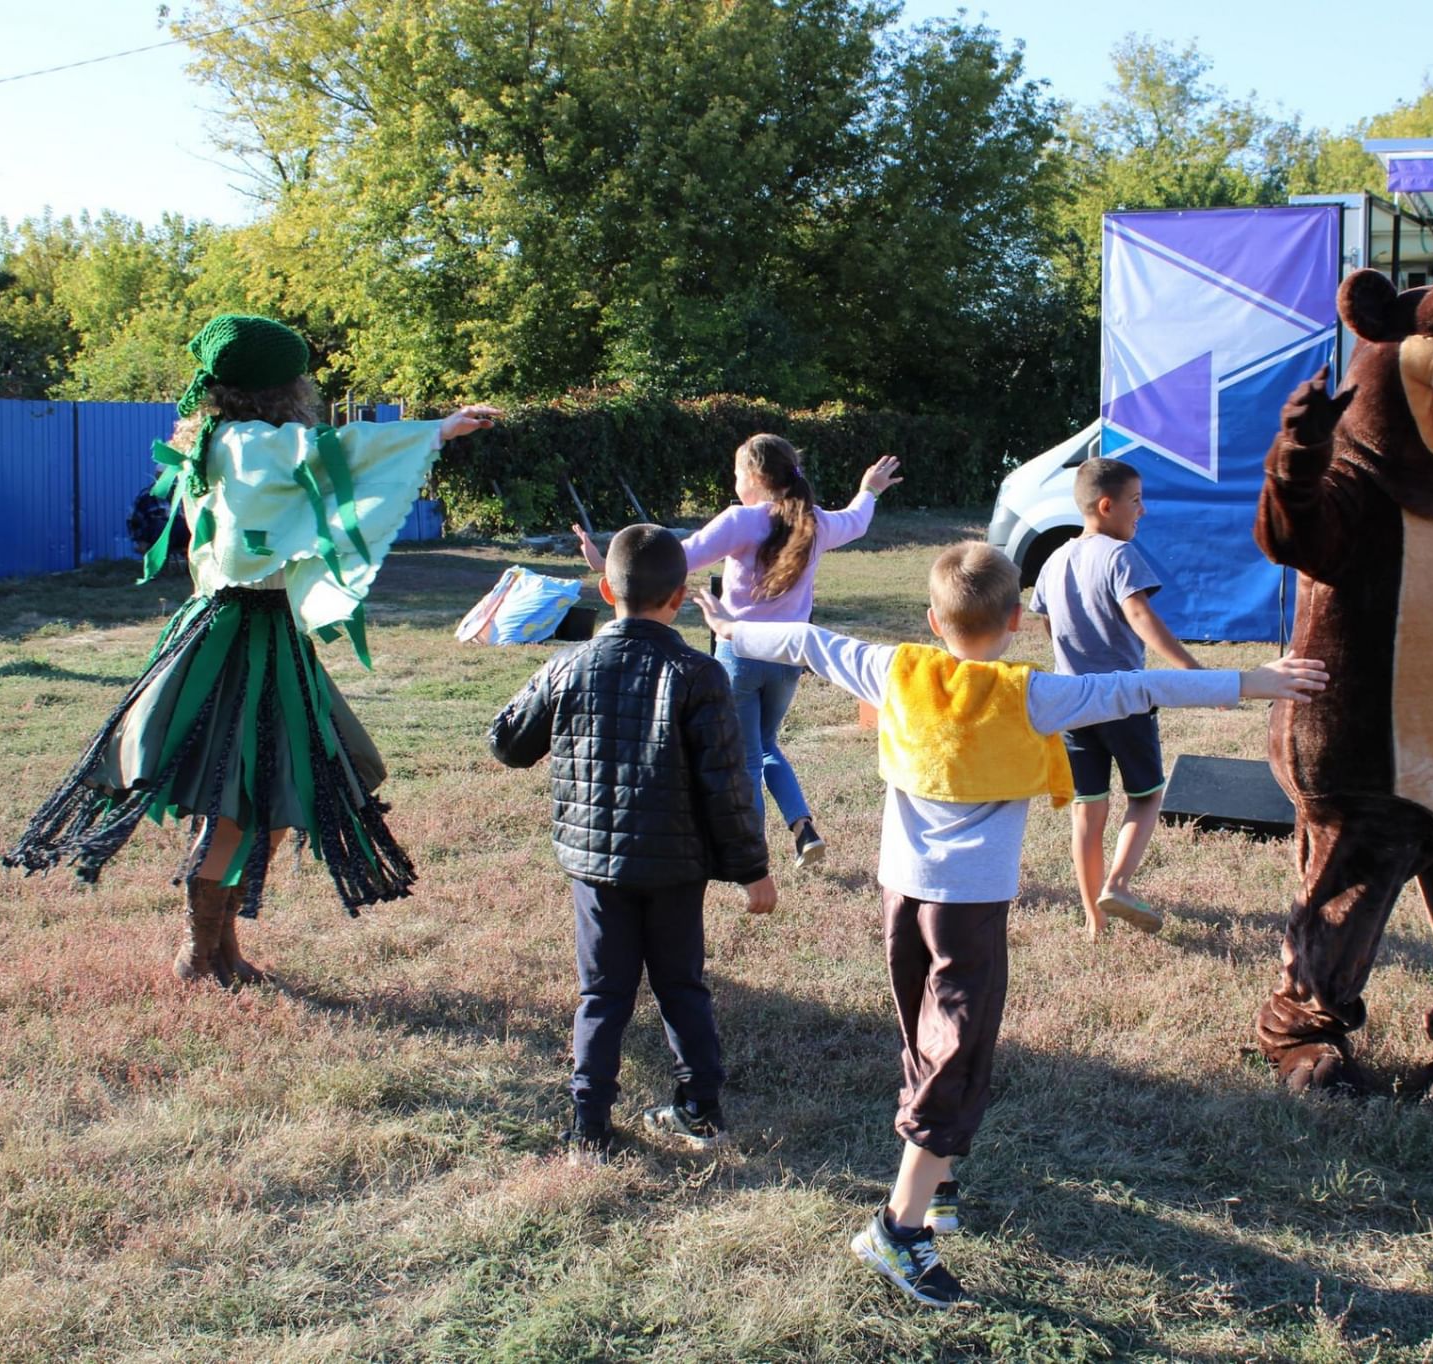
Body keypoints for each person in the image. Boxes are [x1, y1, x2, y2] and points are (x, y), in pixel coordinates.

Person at [696, 543, 1326, 1308]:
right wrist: (1255, 682)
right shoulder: (1034, 695)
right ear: (1020, 622)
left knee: (923, 1039)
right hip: (968, 910)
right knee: (954, 1056)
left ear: (933, 621)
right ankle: (898, 1230)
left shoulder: (895, 667)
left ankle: (941, 1186)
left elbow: (802, 640)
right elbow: (1137, 686)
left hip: (900, 898)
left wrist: (731, 628)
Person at [5, 314, 499, 986]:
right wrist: (436, 430)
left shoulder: (219, 439)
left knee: (263, 795)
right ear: (278, 386)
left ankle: (218, 947)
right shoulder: (250, 445)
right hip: (243, 636)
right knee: (248, 797)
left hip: (243, 630)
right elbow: (334, 452)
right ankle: (199, 953)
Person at [489, 525, 776, 1162]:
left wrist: (548, 685)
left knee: (602, 992)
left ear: (604, 589)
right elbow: (727, 786)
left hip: (594, 868)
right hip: (676, 867)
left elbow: (507, 743)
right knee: (682, 986)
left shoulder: (568, 665)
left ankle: (588, 1124)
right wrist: (754, 870)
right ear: (680, 597)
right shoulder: (700, 674)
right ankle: (700, 1110)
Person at [574, 435, 901, 870]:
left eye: (735, 474)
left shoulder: (740, 521)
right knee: (766, 745)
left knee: (746, 757)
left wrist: (607, 564)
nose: (733, 482)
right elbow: (856, 520)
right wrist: (869, 489)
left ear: (753, 477)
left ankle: (753, 858)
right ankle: (803, 827)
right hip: (788, 661)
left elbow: (676, 556)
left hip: (740, 653)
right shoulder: (817, 522)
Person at [1028, 457, 1203, 939]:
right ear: (1107, 506)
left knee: (1089, 809)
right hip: (1123, 700)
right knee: (1146, 798)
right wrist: (1191, 671)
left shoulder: (1053, 560)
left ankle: (1092, 916)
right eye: (1136, 501)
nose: (1142, 510)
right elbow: (1140, 616)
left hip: (1072, 703)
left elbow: (1048, 624)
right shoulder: (1119, 555)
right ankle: (1119, 883)